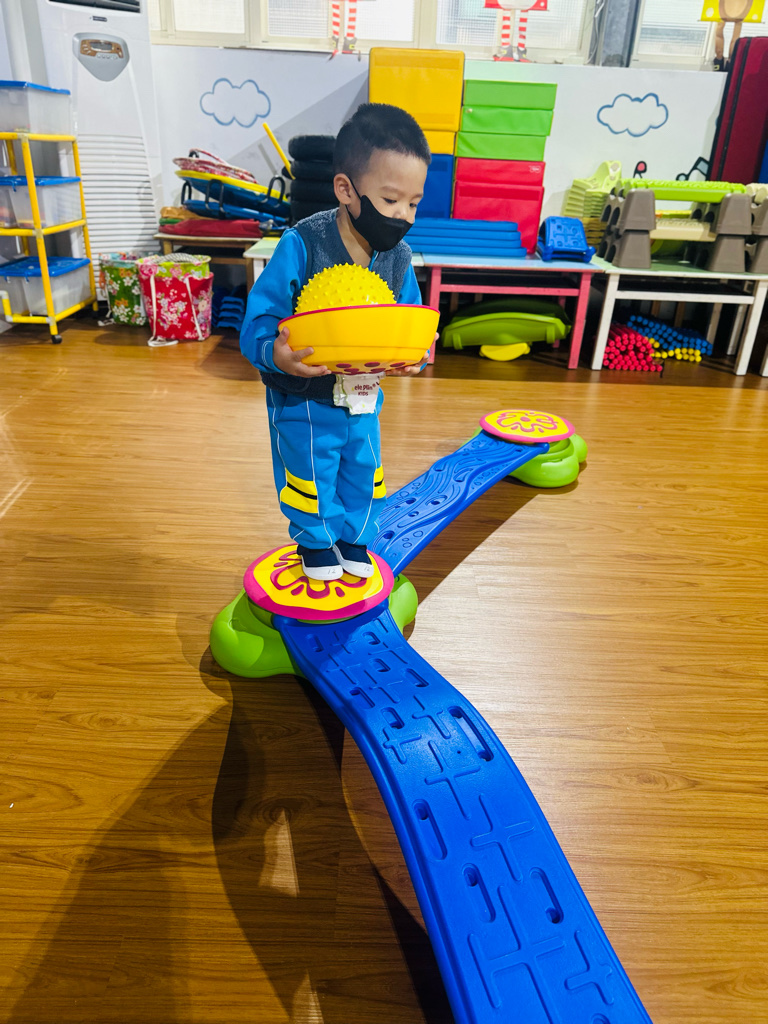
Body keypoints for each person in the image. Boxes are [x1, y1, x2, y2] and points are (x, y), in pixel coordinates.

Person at [240, 103, 432, 582]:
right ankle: (317, 541)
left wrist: (414, 353)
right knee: (311, 470)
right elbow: (258, 319)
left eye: (413, 204)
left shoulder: (399, 257)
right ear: (346, 189)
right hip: (303, 398)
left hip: (363, 397)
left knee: (364, 468)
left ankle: (354, 538)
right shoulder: (303, 244)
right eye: (391, 200)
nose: (403, 216)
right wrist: (275, 353)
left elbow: (408, 318)